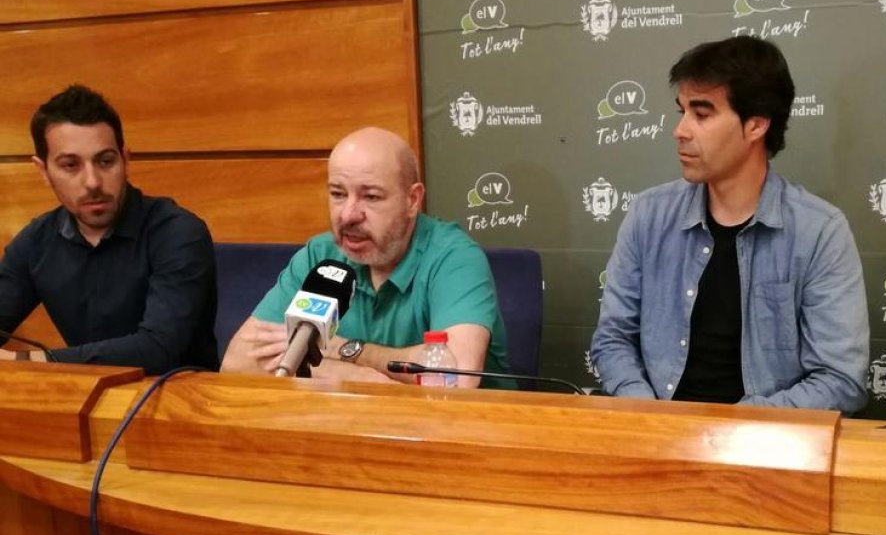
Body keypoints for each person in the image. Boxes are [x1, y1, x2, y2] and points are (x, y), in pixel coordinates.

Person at [590, 37, 869, 411]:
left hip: (765, 448)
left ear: (755, 125)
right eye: (682, 111)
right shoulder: (648, 214)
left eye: (702, 114)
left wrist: (734, 429)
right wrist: (650, 413)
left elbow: (839, 379)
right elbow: (612, 340)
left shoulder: (819, 231)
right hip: (655, 432)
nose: (681, 130)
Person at [221, 127, 508, 384]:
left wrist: (340, 349)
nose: (348, 214)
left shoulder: (453, 258)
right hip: (345, 429)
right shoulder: (320, 256)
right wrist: (360, 376)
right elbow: (237, 364)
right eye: (337, 194)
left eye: (370, 197)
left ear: (412, 200)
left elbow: (454, 377)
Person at [0, 85, 217, 373]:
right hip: (82, 398)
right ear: (44, 171)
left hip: (177, 403)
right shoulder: (35, 243)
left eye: (105, 161)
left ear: (125, 159)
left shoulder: (179, 233)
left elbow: (158, 349)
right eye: (70, 165)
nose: (92, 182)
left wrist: (28, 362)